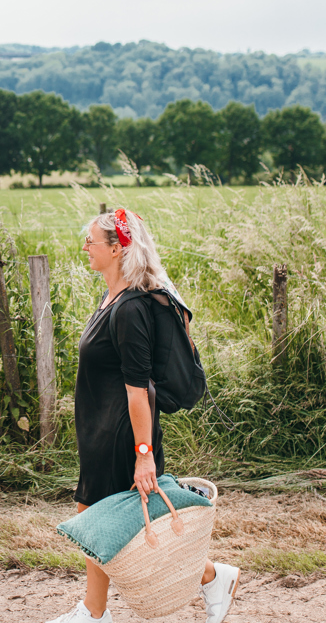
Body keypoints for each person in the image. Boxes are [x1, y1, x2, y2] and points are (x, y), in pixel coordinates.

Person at [46, 208, 239, 623]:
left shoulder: (131, 309)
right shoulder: (110, 298)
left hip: (122, 434)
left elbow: (138, 390)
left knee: (110, 520)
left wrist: (144, 454)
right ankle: (210, 577)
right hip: (99, 431)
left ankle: (95, 612)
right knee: (100, 517)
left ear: (117, 249)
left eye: (91, 241)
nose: (85, 247)